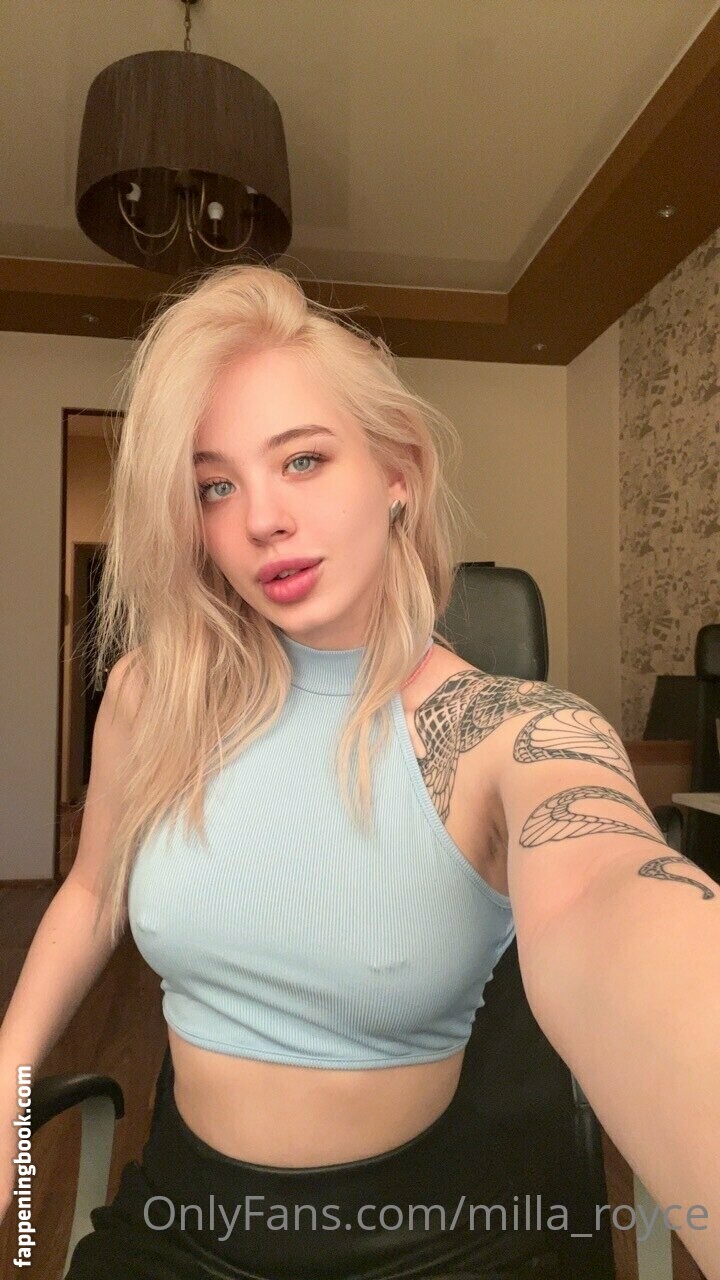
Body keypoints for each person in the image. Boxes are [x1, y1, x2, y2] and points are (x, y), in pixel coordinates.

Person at [1, 264, 718, 1280]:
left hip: (437, 1238)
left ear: (398, 472)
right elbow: (90, 891)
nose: (261, 519)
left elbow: (619, 902)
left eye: (302, 459)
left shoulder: (506, 733)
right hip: (180, 1217)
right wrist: (6, 1081)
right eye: (216, 484)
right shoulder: (152, 693)